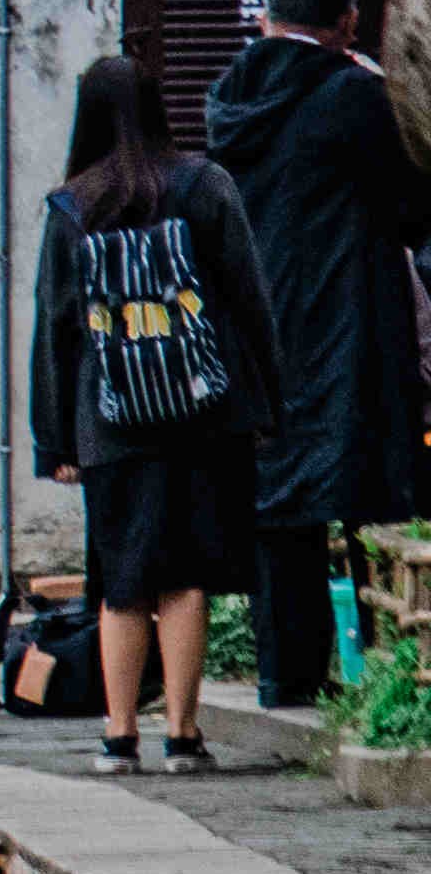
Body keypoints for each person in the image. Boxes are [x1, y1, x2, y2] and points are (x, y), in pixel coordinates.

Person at [37, 53, 281, 773]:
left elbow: (56, 328)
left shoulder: (71, 207)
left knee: (122, 579)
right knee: (185, 576)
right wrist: (265, 401)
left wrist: (55, 435)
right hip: (204, 413)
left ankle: (119, 736)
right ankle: (182, 734)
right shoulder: (203, 186)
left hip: (108, 420)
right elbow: (249, 299)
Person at [198, 0, 427, 708]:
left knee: (277, 503)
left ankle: (284, 676)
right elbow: (407, 208)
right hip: (348, 321)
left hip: (259, 327)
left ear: (265, 17)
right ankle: (381, 670)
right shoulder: (358, 97)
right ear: (348, 20)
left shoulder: (228, 98)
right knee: (370, 489)